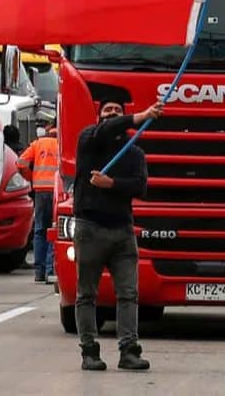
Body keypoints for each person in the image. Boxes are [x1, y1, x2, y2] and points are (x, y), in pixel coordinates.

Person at [73, 99, 162, 372]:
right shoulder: (88, 139)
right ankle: (89, 352)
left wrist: (111, 184)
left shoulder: (135, 153)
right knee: (86, 294)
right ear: (99, 116)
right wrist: (140, 115)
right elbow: (106, 130)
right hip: (90, 228)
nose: (112, 115)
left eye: (117, 111)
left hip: (123, 231)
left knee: (128, 294)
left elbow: (140, 187)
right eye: (107, 111)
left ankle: (129, 351)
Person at [18, 122, 59, 283]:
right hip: (57, 191)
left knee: (40, 230)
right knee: (54, 230)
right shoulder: (63, 144)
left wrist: (31, 177)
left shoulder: (38, 144)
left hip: (41, 191)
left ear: (48, 130)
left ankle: (39, 272)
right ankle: (51, 270)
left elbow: (20, 163)